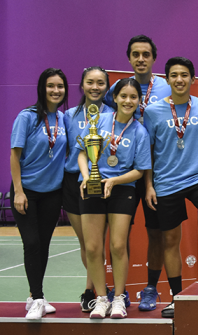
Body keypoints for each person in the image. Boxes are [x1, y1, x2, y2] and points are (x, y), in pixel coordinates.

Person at [143, 57, 198, 317]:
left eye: (184, 75)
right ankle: (177, 297)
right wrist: (149, 185)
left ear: (193, 79)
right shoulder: (153, 111)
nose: (179, 79)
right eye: (174, 75)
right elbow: (147, 152)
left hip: (197, 177)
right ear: (167, 79)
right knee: (171, 240)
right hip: (166, 181)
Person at [107, 35, 171, 312]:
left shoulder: (166, 85)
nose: (141, 59)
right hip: (123, 172)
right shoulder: (117, 88)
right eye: (136, 54)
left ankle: (151, 289)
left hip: (158, 171)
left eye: (146, 54)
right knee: (118, 237)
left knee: (156, 233)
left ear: (154, 58)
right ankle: (118, 291)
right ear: (129, 58)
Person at [77, 78, 151, 319]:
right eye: (123, 96)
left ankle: (118, 298)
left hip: (122, 189)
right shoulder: (99, 120)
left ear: (139, 101)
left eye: (133, 97)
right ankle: (101, 299)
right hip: (92, 186)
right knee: (92, 247)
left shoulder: (140, 132)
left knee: (118, 246)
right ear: (115, 98)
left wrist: (114, 181)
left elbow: (139, 170)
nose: (128, 101)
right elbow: (82, 153)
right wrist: (87, 177)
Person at [10, 68, 68, 319]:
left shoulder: (63, 119)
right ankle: (37, 298)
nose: (56, 90)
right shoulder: (27, 117)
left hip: (52, 193)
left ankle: (35, 296)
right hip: (27, 192)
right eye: (50, 86)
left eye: (60, 86)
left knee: (43, 245)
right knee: (32, 243)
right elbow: (15, 156)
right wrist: (18, 191)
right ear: (42, 89)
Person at [63, 67, 114, 312]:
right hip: (73, 182)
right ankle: (92, 290)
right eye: (90, 82)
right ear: (82, 85)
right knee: (85, 242)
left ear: (107, 87)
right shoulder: (68, 116)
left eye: (100, 83)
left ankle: (91, 290)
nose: (95, 87)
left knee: (97, 242)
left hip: (102, 183)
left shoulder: (114, 114)